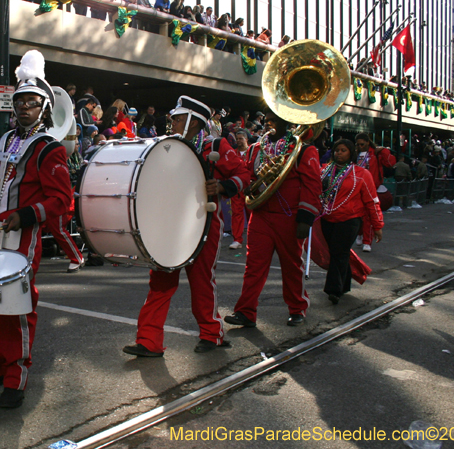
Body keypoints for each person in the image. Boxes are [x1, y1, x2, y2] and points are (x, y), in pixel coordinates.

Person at [0, 50, 72, 408]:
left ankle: (15, 376)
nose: (23, 107)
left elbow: (61, 200)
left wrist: (25, 215)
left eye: (31, 102)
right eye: (20, 101)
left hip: (21, 241)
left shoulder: (49, 148)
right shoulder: (7, 140)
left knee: (14, 308)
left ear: (44, 108)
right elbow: (1, 180)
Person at [123, 96, 250, 357]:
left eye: (179, 118)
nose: (173, 121)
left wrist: (224, 186)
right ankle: (149, 340)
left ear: (194, 121)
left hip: (204, 224)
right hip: (169, 225)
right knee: (160, 282)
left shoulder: (215, 144)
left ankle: (211, 333)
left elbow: (244, 175)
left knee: (202, 281)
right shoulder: (165, 145)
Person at [225, 111, 322, 328]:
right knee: (253, 266)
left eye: (276, 119)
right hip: (261, 214)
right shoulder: (256, 148)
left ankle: (298, 308)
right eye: (269, 119)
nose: (271, 123)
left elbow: (312, 184)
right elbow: (248, 174)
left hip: (290, 217)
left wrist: (305, 218)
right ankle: (245, 312)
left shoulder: (304, 148)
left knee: (291, 266)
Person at [319, 139, 384, 304]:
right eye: (337, 150)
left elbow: (372, 201)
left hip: (350, 220)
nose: (339, 153)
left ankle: (334, 289)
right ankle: (344, 284)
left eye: (343, 150)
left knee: (339, 252)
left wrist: (377, 225)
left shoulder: (362, 174)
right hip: (327, 218)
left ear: (351, 153)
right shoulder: (324, 171)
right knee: (338, 252)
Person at [354, 133, 395, 252]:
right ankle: (360, 234)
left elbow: (390, 162)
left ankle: (367, 241)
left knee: (368, 215)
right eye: (358, 145)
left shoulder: (375, 153)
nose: (360, 146)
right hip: (358, 187)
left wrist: (384, 151)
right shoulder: (355, 154)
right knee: (358, 214)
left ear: (368, 142)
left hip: (372, 187)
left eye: (362, 144)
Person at [229, 129, 249, 250]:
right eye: (237, 139)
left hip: (251, 188)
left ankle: (254, 239)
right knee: (236, 214)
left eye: (241, 138)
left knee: (252, 214)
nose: (238, 141)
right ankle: (237, 239)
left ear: (246, 139)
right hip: (237, 188)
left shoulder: (254, 151)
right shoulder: (232, 153)